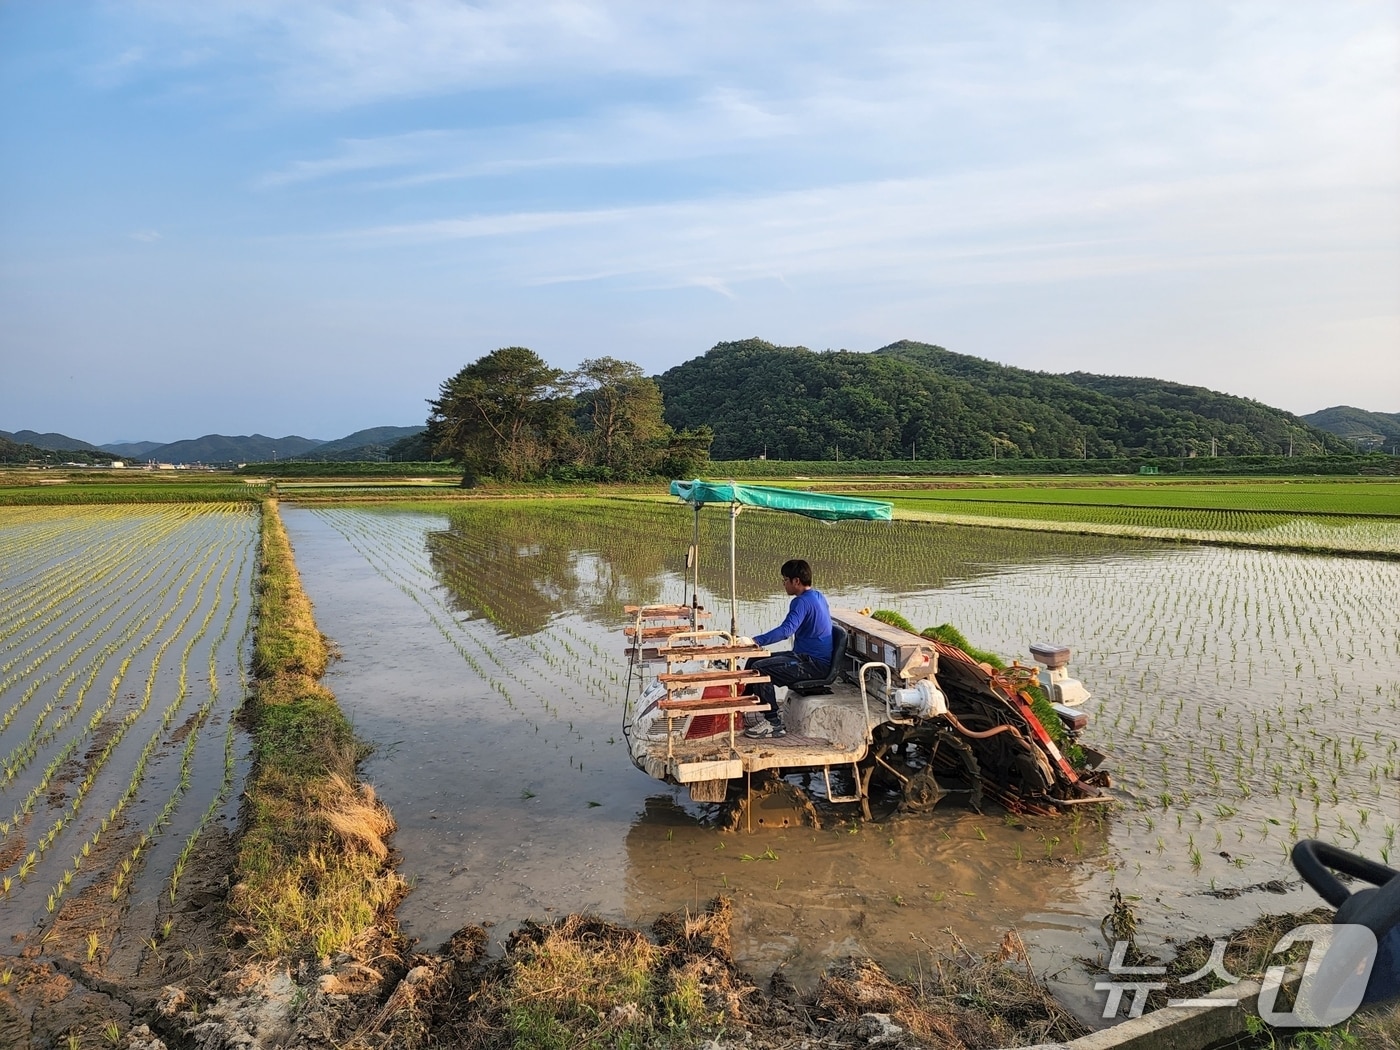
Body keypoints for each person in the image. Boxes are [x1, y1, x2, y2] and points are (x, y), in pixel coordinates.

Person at [742, 559, 832, 739]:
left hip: (812, 664)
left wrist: (754, 641)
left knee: (760, 669)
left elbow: (786, 631)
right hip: (804, 657)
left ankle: (773, 723)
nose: (783, 584)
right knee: (754, 661)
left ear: (796, 581)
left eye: (785, 580)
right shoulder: (818, 596)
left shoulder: (801, 602)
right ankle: (742, 706)